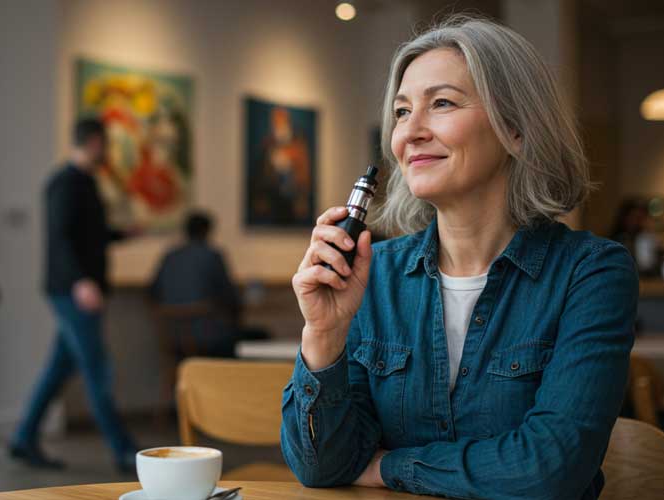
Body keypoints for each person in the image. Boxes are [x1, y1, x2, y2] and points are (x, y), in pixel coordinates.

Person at [280, 15, 638, 500]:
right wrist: (323, 335)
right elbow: (322, 467)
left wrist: (387, 467)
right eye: (403, 112)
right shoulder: (373, 274)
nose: (411, 133)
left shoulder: (590, 273)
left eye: (442, 103)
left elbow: (549, 468)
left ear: (517, 127)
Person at [9, 118, 138, 473]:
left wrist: (122, 234)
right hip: (72, 291)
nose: (107, 151)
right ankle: (123, 448)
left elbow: (90, 236)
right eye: (105, 144)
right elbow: (61, 239)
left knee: (58, 368)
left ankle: (23, 437)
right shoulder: (63, 184)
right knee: (97, 369)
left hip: (81, 288)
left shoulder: (87, 183)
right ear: (93, 142)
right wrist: (81, 281)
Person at [149, 211, 262, 358]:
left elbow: (152, 292)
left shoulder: (170, 256)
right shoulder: (212, 256)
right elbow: (230, 298)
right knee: (258, 336)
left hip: (173, 337)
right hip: (209, 337)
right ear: (207, 231)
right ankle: (233, 380)